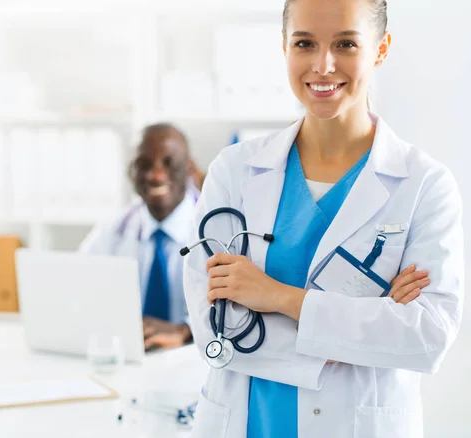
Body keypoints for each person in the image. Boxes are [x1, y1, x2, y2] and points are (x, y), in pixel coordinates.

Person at [183, 1, 464, 437]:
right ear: (284, 48)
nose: (323, 65)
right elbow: (213, 332)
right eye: (305, 43)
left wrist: (276, 297)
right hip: (245, 421)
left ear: (381, 48)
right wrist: (359, 328)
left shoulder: (424, 185)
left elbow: (426, 337)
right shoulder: (234, 170)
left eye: (346, 44)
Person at [80, 123, 198, 350]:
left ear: (190, 169)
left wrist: (187, 330)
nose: (156, 175)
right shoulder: (113, 230)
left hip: (196, 361)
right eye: (143, 165)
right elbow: (77, 289)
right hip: (129, 356)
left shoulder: (218, 228)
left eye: (169, 163)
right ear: (129, 172)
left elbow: (239, 310)